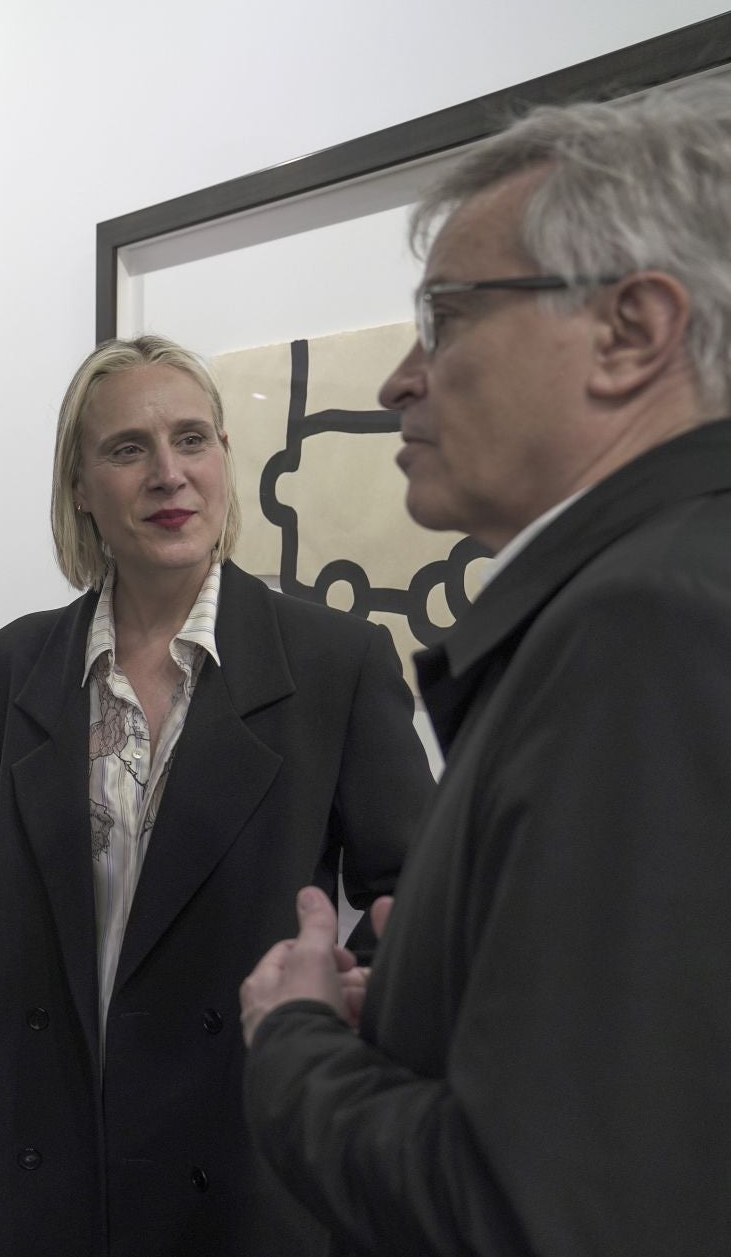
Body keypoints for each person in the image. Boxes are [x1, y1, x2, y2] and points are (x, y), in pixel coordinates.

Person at [240, 76, 731, 1256]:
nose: (403, 379)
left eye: (448, 317)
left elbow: (534, 1217)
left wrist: (295, 1035)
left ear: (630, 333)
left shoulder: (648, 628)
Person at [0, 335, 431, 1255]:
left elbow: (424, 893)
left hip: (238, 1131)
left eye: (193, 439)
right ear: (80, 485)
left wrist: (323, 1030)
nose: (170, 474)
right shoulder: (14, 664)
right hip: (51, 1127)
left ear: (226, 462)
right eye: (129, 449)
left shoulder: (333, 664)